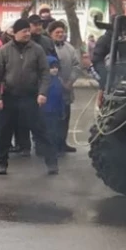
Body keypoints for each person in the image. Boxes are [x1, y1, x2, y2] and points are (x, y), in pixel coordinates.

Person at [0, 18, 57, 176]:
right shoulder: (4, 50)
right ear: (15, 33)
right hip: (10, 97)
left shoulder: (37, 50)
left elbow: (44, 74)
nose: (27, 33)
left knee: (41, 131)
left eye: (28, 30)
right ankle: (1, 163)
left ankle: (52, 163)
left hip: (31, 97)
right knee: (4, 132)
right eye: (24, 31)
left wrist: (42, 93)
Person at [49, 21, 82, 152]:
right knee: (53, 118)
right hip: (52, 90)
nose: (60, 34)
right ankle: (52, 145)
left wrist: (70, 81)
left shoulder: (70, 48)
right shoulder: (48, 48)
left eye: (62, 32)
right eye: (57, 32)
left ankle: (63, 142)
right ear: (50, 34)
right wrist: (59, 81)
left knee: (65, 117)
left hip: (68, 89)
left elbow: (77, 65)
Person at [41, 53, 66, 156]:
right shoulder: (43, 82)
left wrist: (62, 110)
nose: (54, 69)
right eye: (52, 67)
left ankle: (54, 149)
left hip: (55, 111)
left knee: (55, 131)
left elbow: (61, 97)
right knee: (47, 132)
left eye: (56, 67)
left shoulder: (58, 81)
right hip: (45, 111)